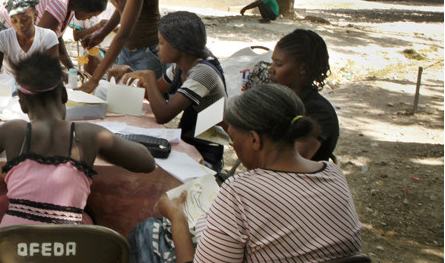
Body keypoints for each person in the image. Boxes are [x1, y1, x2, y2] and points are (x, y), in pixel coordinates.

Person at [155, 84, 362, 263]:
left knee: (150, 231)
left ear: (255, 139)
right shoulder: (333, 174)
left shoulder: (239, 192)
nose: (234, 147)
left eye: (234, 140)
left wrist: (177, 216)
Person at [0, 52, 156, 227]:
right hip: (69, 249)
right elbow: (146, 162)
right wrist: (107, 142)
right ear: (64, 95)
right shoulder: (89, 135)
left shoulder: (13, 132)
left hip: (14, 249)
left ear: (22, 105)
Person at [116, 11, 226, 171]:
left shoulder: (203, 73)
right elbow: (152, 94)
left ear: (179, 45)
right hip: (188, 144)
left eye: (161, 43)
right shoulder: (180, 67)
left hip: (205, 156)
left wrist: (149, 75)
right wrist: (133, 76)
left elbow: (163, 115)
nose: (157, 47)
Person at [0, 0, 110, 71]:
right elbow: (37, 44)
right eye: (90, 15)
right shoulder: (60, 5)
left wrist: (70, 68)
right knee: (17, 75)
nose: (88, 19)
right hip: (4, 25)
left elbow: (56, 39)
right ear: (84, 7)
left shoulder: (70, 3)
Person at [269, 29, 339, 161]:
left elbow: (291, 161)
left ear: (303, 68)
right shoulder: (281, 101)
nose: (271, 69)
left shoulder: (319, 112)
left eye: (278, 64)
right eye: (272, 62)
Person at [0, 0, 60, 77]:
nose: (20, 25)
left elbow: (54, 72)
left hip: (38, 88)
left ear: (35, 15)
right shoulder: (2, 38)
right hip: (9, 88)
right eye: (14, 20)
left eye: (25, 19)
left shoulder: (48, 37)